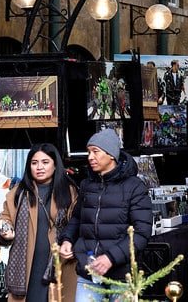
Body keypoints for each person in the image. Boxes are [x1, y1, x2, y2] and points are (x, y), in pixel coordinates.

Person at [59, 129, 153, 301]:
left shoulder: (134, 187)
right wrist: (67, 240)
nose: (90, 157)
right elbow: (78, 219)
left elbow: (141, 232)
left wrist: (111, 258)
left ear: (111, 155)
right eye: (88, 152)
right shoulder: (87, 185)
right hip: (88, 272)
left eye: (95, 151)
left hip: (121, 275)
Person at [0, 143, 79, 302]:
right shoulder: (18, 193)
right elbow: (4, 218)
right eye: (34, 163)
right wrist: (4, 230)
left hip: (60, 265)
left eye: (45, 162)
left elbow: (78, 222)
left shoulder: (70, 191)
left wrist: (71, 242)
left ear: (55, 165)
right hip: (27, 266)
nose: (39, 167)